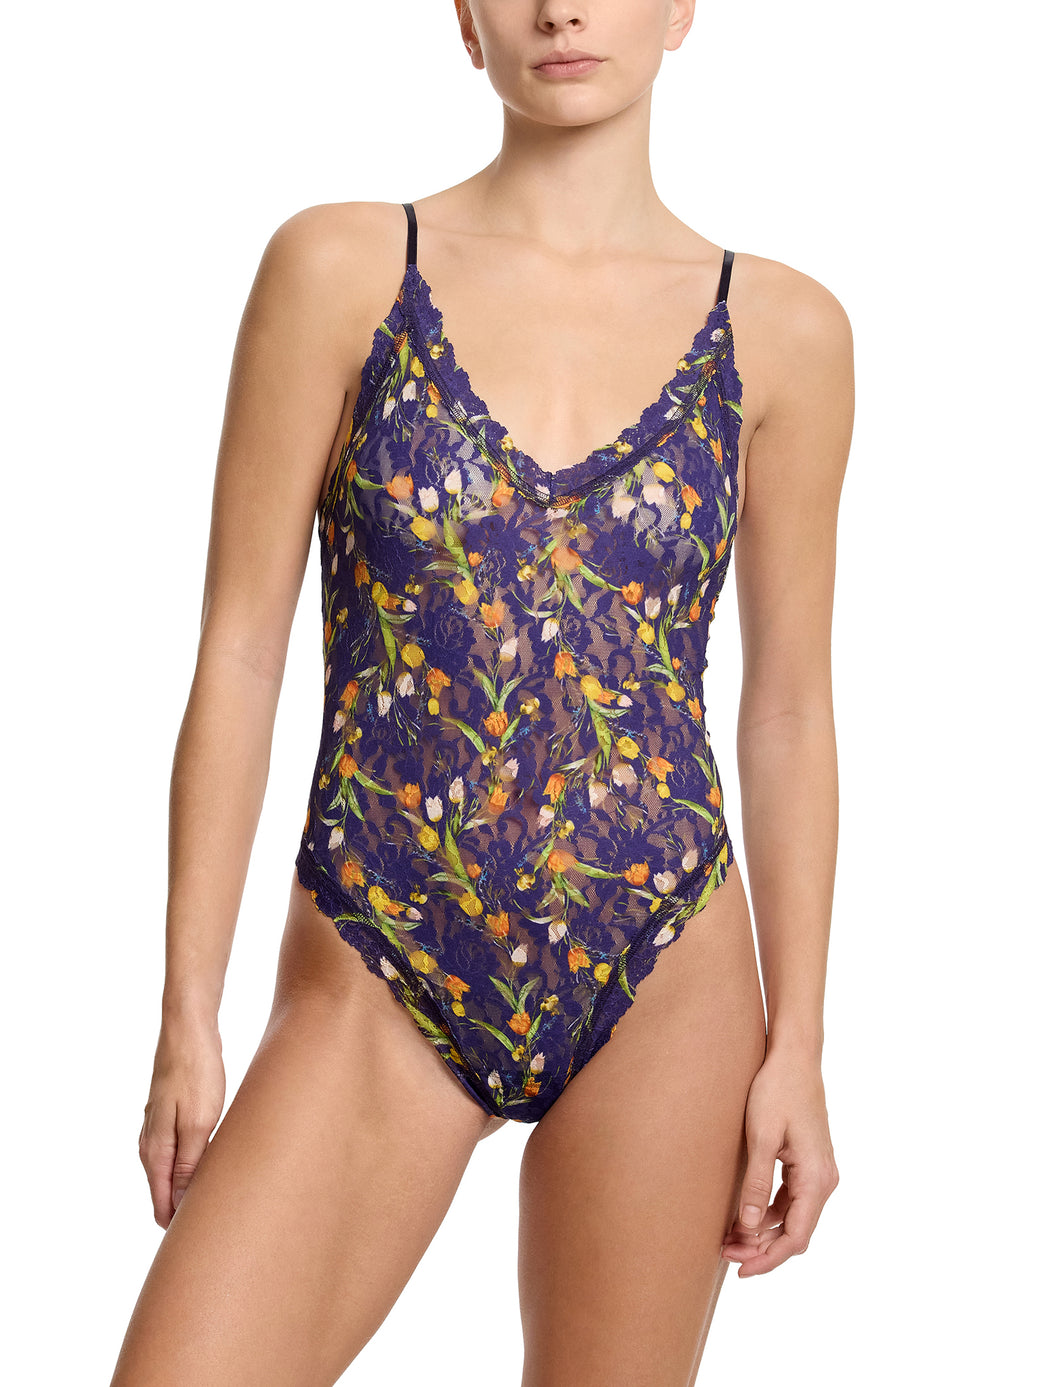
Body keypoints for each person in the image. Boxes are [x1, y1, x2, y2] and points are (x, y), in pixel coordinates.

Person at [111, 2, 851, 1382]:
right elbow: (240, 651)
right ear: (463, 18)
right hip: (378, 951)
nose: (560, 9)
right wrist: (186, 1011)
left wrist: (797, 1041)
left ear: (681, 9)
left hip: (665, 967)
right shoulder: (340, 269)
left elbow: (791, 706)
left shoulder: (787, 331)